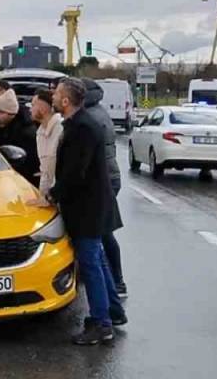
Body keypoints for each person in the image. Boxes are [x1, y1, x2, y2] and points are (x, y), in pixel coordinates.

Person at [48, 78, 126, 345]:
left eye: (57, 94)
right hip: (93, 206)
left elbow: (74, 174)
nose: (53, 97)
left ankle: (101, 324)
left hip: (86, 209)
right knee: (98, 260)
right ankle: (113, 312)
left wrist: (52, 195)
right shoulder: (80, 124)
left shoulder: (82, 128)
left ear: (66, 101)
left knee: (91, 264)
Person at [82, 78, 127, 297]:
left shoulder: (91, 117)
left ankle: (116, 281)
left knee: (102, 232)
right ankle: (115, 280)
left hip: (105, 179)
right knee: (102, 231)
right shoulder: (97, 111)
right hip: (109, 176)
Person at [31, 88, 63, 201]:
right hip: (49, 197)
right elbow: (45, 171)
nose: (30, 109)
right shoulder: (40, 132)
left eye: (33, 104)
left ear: (43, 108)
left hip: (61, 197)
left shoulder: (61, 129)